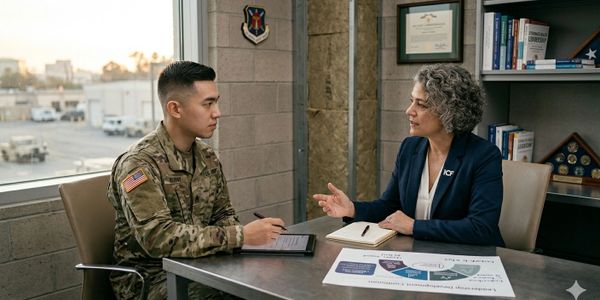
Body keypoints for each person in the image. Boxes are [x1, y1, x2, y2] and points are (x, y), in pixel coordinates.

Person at [107, 61, 285, 299]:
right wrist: (241, 236)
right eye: (207, 104)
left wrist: (252, 241)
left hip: (202, 265)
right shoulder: (139, 164)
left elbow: (223, 214)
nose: (217, 112)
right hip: (149, 280)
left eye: (216, 101)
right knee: (233, 293)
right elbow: (158, 238)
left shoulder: (207, 156)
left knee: (268, 279)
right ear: (175, 109)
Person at [314, 64, 504, 247]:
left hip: (470, 261)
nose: (409, 111)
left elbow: (481, 227)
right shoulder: (410, 148)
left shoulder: (484, 156)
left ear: (449, 112)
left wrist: (414, 226)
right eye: (411, 101)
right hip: (420, 254)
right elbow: (390, 205)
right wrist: (352, 209)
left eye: (420, 104)